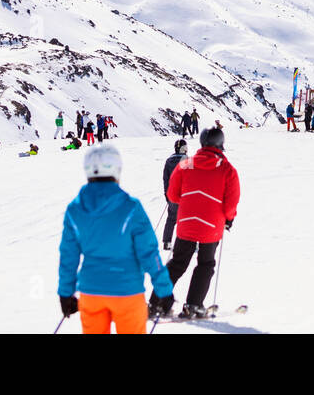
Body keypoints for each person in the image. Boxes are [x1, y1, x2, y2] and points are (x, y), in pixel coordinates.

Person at [58, 143, 174, 333]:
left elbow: (68, 256)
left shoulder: (75, 209)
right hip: (127, 291)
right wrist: (164, 289)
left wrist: (65, 293)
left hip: (91, 292)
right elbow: (148, 252)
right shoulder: (131, 207)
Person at [150, 127, 240, 320]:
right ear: (220, 144)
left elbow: (173, 195)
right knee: (205, 264)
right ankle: (193, 305)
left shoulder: (187, 164)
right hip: (212, 225)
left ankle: (155, 303)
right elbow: (231, 201)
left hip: (187, 222)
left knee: (177, 263)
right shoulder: (227, 169)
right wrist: (229, 219)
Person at [161, 138, 187, 251]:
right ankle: (187, 243)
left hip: (171, 195)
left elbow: (165, 179)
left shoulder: (168, 161)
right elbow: (190, 178)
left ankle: (167, 242)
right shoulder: (186, 160)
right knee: (186, 219)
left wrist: (167, 195)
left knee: (171, 218)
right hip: (185, 195)